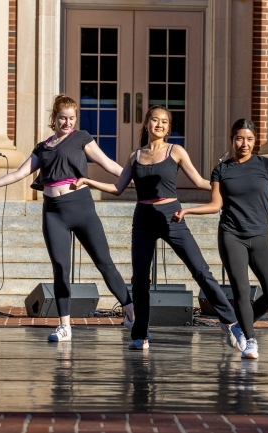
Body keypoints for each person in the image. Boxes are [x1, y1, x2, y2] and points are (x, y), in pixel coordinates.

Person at [74, 105, 240, 351]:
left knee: (200, 270)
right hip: (143, 219)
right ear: (147, 124)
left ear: (168, 127)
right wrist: (88, 180)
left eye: (164, 121)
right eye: (154, 120)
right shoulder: (135, 155)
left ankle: (230, 322)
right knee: (140, 279)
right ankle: (140, 334)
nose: (159, 124)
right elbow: (118, 188)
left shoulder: (176, 151)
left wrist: (228, 188)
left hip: (171, 215)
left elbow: (199, 181)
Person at [0, 94, 135, 342]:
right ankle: (65, 326)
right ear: (54, 118)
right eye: (62, 118)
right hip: (53, 212)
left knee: (104, 263)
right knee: (60, 269)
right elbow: (20, 173)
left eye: (71, 118)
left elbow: (107, 163)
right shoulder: (43, 147)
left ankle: (132, 314)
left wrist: (134, 177)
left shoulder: (82, 138)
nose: (67, 123)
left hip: (81, 207)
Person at [174, 119, 268, 359]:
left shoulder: (267, 165)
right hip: (231, 235)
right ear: (231, 139)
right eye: (239, 138)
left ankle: (239, 325)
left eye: (249, 139)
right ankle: (250, 340)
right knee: (242, 289)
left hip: (258, 235)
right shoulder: (222, 169)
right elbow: (216, 205)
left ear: (255, 140)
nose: (244, 143)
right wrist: (187, 210)